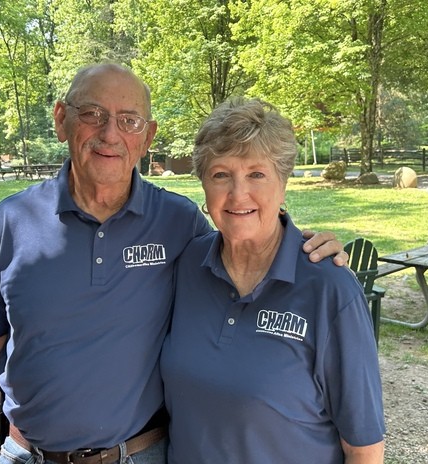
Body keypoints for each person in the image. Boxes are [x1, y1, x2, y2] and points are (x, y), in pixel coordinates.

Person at [0, 63, 347, 464]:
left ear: (147, 137)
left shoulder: (178, 223)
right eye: (93, 114)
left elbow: (246, 248)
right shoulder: (12, 222)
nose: (110, 134)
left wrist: (305, 249)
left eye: (129, 121)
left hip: (137, 454)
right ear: (62, 119)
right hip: (26, 454)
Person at [160, 97, 386, 463]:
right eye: (221, 174)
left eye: (256, 174)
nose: (238, 194)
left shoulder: (329, 288)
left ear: (283, 184)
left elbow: (364, 449)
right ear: (204, 185)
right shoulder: (187, 265)